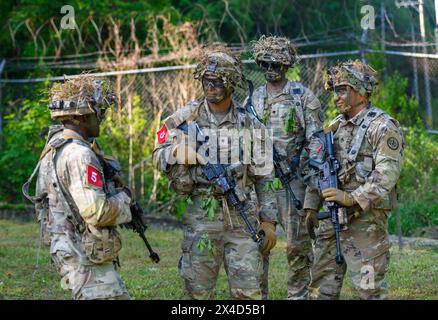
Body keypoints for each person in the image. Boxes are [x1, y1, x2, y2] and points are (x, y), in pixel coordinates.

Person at [153, 45, 278, 299]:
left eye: (217, 82)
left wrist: (269, 222)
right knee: (198, 292)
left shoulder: (250, 123)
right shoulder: (184, 118)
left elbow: (266, 176)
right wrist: (178, 154)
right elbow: (157, 153)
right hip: (202, 213)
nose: (210, 87)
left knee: (249, 292)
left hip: (242, 213)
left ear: (231, 84)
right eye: (206, 81)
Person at [23, 75, 132, 300]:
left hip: (65, 247)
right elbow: (96, 211)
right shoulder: (80, 155)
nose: (101, 118)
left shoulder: (53, 146)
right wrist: (124, 199)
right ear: (82, 117)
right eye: (98, 113)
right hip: (81, 252)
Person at [306, 59, 405, 300]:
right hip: (332, 220)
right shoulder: (334, 127)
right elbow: (319, 168)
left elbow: (387, 173)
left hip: (366, 223)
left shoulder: (382, 126)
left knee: (369, 290)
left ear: (361, 91)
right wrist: (311, 205)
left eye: (342, 90)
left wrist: (351, 198)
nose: (336, 97)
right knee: (320, 288)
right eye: (334, 91)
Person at [247, 35, 324, 300]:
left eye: (276, 65)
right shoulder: (254, 98)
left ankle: (298, 295)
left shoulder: (303, 97)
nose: (270, 70)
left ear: (286, 65)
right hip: (260, 184)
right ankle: (258, 298)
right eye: (265, 64)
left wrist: (313, 192)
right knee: (259, 243)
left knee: (297, 247)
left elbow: (317, 143)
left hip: (294, 182)